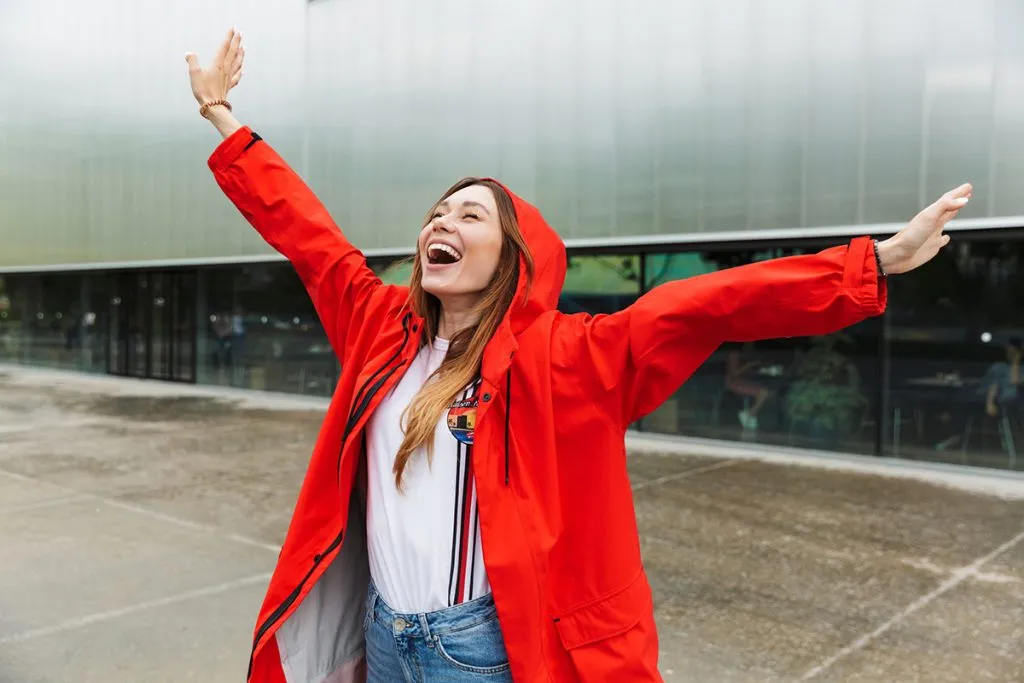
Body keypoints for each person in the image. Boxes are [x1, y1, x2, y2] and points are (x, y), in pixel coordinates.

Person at [186, 29, 972, 683]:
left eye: (470, 212)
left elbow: (708, 305)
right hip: (385, 634)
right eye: (437, 210)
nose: (442, 219)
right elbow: (310, 236)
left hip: (478, 651)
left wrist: (872, 262)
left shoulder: (566, 356)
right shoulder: (377, 323)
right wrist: (222, 115)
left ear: (511, 254)